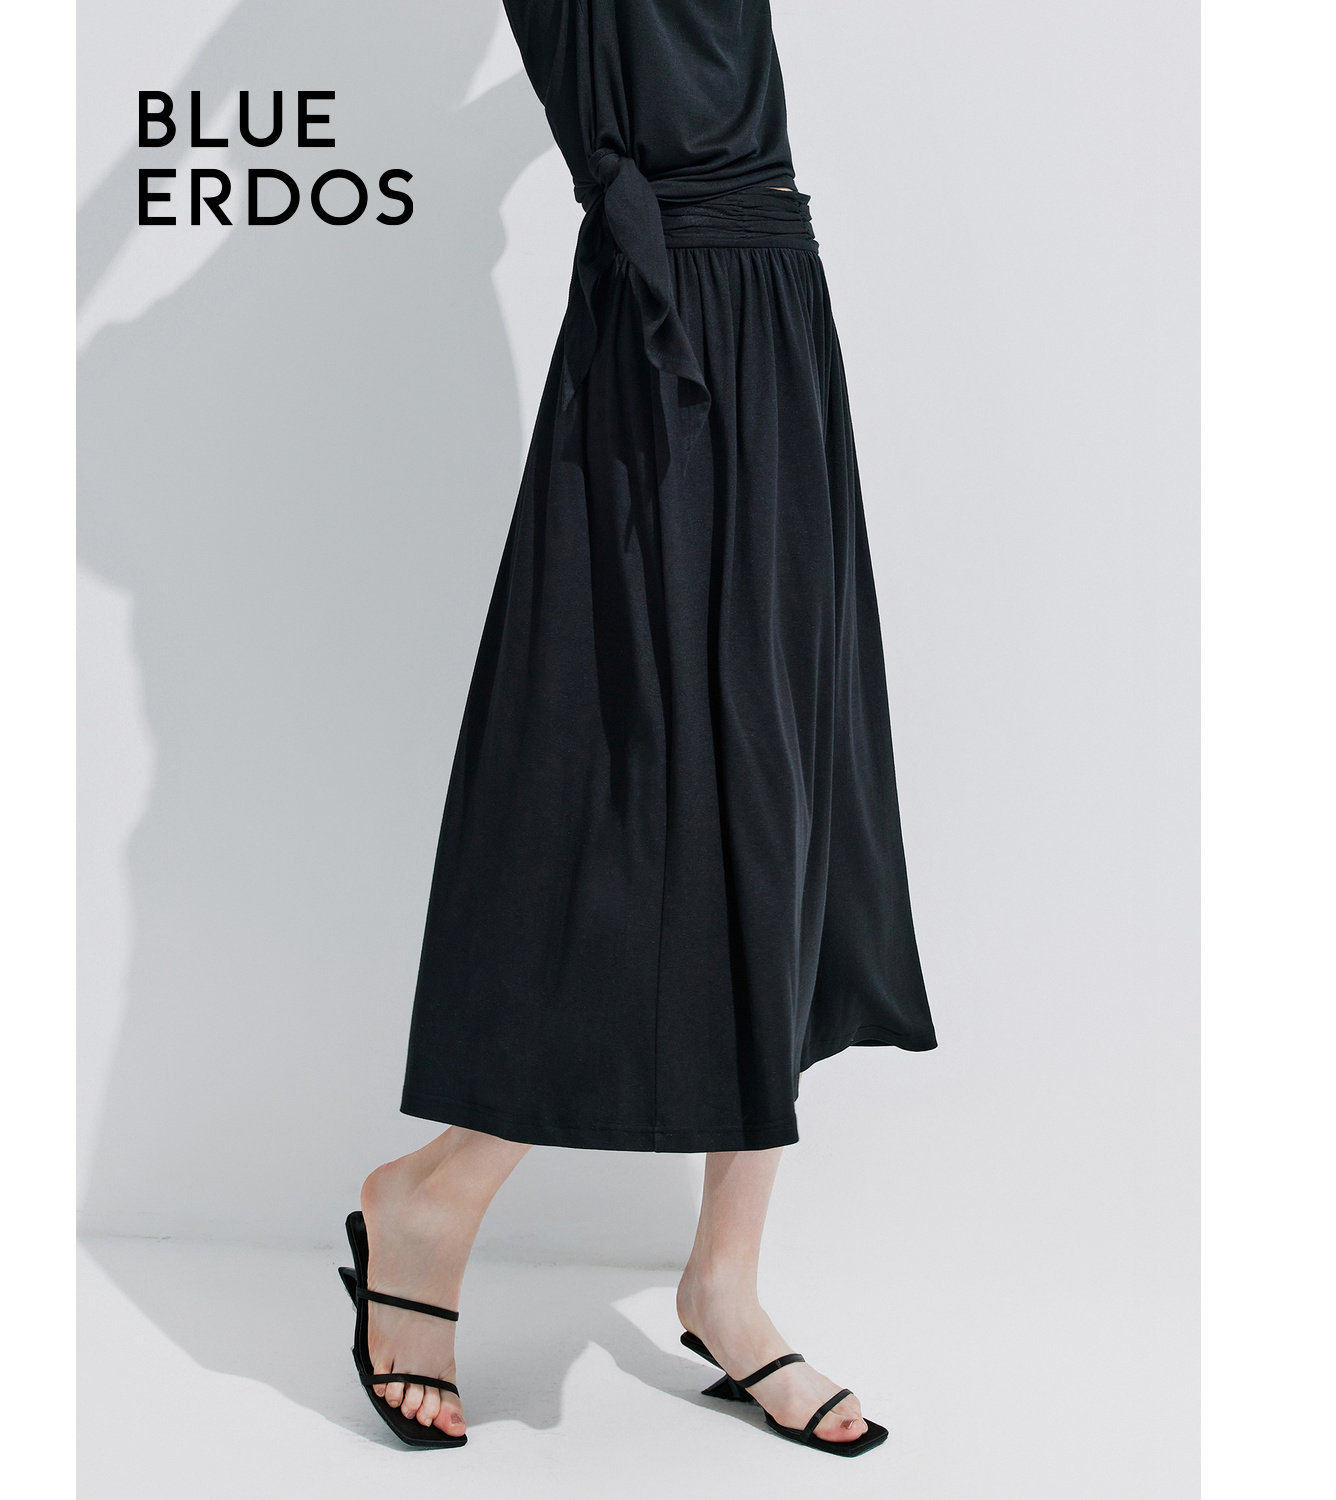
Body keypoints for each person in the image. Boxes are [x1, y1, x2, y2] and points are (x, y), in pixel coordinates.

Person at [341, 0, 938, 1455]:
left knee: (784, 787)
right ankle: (437, 1195)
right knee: (632, 800)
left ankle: (726, 1277)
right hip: (663, 326)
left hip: (776, 302)